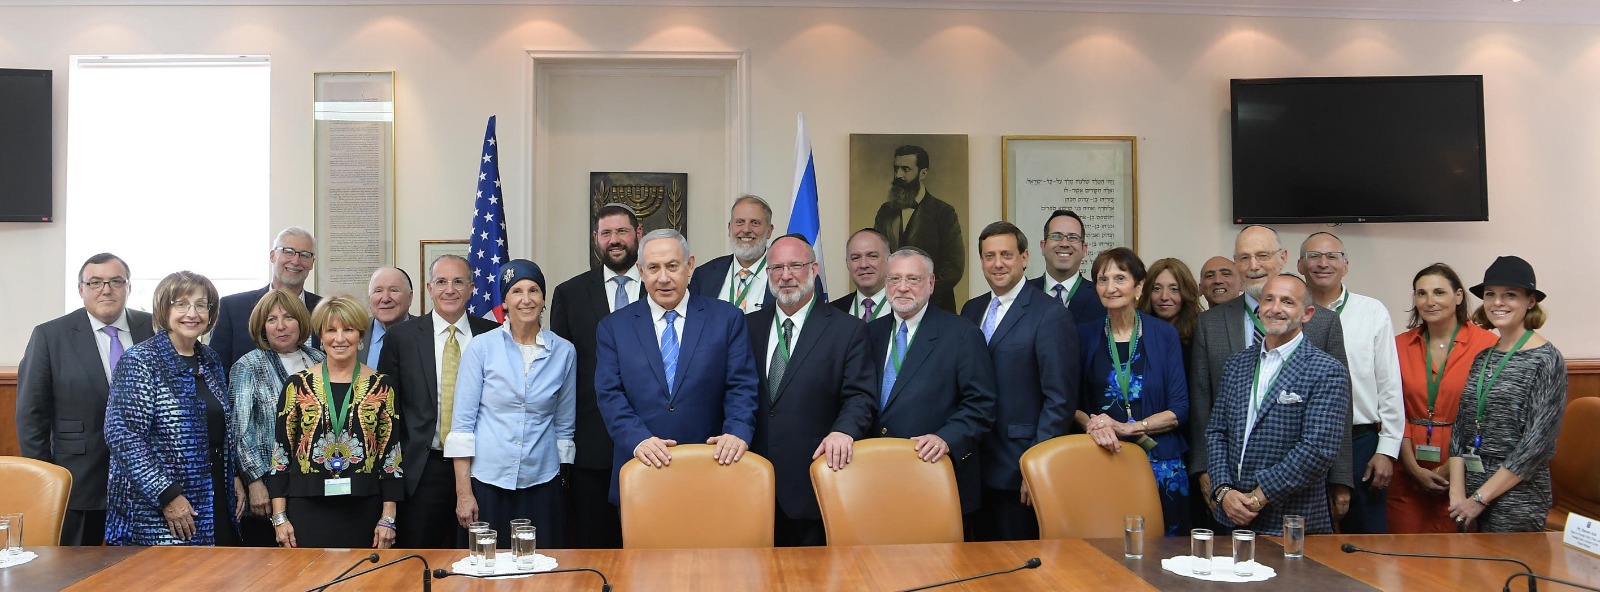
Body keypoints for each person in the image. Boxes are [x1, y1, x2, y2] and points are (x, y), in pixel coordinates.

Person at [1188, 225, 1353, 529]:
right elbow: (1209, 419)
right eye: (1245, 257)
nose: (1253, 266)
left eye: (1262, 255)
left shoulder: (1326, 348)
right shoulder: (1233, 356)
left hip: (1293, 510)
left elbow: (1324, 439)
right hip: (1231, 508)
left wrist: (1340, 479)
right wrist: (1222, 489)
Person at [595, 229, 760, 505]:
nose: (663, 278)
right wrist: (638, 440)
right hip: (642, 467)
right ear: (641, 271)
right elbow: (609, 394)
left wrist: (737, 432)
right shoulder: (614, 327)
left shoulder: (726, 319)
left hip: (713, 467)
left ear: (690, 266)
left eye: (672, 266)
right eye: (653, 268)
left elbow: (741, 386)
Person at [17, 253, 155, 546]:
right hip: (78, 482)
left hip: (147, 483)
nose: (106, 289)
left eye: (116, 281)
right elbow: (32, 415)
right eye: (95, 282)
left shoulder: (154, 329)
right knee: (73, 574)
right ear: (81, 289)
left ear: (128, 287)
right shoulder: (50, 336)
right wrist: (46, 480)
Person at [748, 234, 876, 547]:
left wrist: (844, 431)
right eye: (776, 267)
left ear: (814, 268)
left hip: (815, 480)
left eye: (795, 266)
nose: (786, 275)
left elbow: (860, 397)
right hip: (753, 483)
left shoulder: (847, 330)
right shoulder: (747, 325)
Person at [959, 222, 1078, 541]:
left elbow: (1060, 400)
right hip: (972, 466)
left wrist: (1036, 466)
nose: (997, 263)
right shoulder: (971, 310)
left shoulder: (1049, 314)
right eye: (989, 256)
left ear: (1025, 257)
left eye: (1006, 255)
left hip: (1019, 468)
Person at [104, 271, 240, 546]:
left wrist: (233, 473)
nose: (192, 313)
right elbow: (123, 435)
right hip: (159, 508)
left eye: (201, 305)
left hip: (216, 494)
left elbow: (220, 426)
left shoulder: (210, 359)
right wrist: (166, 494)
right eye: (181, 304)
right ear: (164, 308)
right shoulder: (141, 360)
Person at [447, 260, 574, 548]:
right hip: (488, 482)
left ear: (543, 299)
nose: (526, 299)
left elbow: (565, 426)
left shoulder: (564, 352)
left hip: (543, 482)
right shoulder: (481, 347)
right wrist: (464, 493)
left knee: (540, 569)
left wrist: (563, 486)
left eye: (534, 291)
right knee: (486, 570)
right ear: (505, 300)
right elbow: (463, 426)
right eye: (517, 291)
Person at [378, 255, 501, 548]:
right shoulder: (401, 338)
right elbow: (388, 412)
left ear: (472, 288)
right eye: (442, 282)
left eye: (458, 282)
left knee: (479, 556)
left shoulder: (494, 335)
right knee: (421, 560)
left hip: (481, 466)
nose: (450, 290)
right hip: (423, 469)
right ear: (429, 288)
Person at [870, 247, 997, 519]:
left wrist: (946, 438)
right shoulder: (869, 334)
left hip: (936, 472)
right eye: (894, 279)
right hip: (876, 475)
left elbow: (981, 404)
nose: (902, 287)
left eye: (913, 279)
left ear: (931, 283)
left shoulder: (962, 334)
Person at [268, 296, 403, 549]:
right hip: (306, 508)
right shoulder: (297, 385)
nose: (339, 338)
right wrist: (279, 517)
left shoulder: (383, 386)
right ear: (320, 335)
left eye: (348, 329)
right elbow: (281, 454)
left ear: (360, 335)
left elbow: (391, 456)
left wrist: (388, 518)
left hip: (365, 509)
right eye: (331, 330)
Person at [1447, 256, 1567, 533]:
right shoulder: (1483, 357)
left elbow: (1536, 444)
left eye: (1509, 295)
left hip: (1516, 496)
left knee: (1506, 574)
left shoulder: (1546, 360)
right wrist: (1457, 496)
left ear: (1531, 301)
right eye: (1491, 295)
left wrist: (1480, 499)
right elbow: (1461, 429)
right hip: (1469, 492)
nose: (1497, 303)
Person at [1077, 248, 1191, 536]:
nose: (1111, 287)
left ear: (1139, 286)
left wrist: (1128, 428)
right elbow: (1070, 403)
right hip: (1104, 457)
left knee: (1165, 551)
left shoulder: (1164, 334)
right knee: (1107, 548)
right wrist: (1092, 424)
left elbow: (1180, 410)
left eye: (1120, 278)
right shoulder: (1083, 335)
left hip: (1161, 462)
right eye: (1103, 279)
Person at [1297, 232, 1404, 534]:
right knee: (1304, 536)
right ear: (1299, 265)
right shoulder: (1287, 312)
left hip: (1360, 443)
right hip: (1299, 441)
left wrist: (1387, 449)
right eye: (1313, 256)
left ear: (1346, 265)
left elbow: (1389, 383)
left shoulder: (1372, 312)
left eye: (1332, 256)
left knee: (1366, 541)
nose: (1323, 263)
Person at [550, 203, 642, 549]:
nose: (614, 240)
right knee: (594, 545)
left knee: (650, 545)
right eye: (606, 233)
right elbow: (558, 372)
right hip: (592, 444)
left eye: (622, 231)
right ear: (595, 239)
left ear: (638, 235)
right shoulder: (570, 294)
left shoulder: (663, 288)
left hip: (654, 439)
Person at [1388, 263, 1496, 533]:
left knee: (1456, 559)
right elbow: (1391, 407)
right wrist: (1412, 467)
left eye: (1439, 292)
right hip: (1406, 464)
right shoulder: (1398, 345)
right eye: (1421, 293)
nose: (1430, 301)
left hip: (1466, 467)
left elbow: (1491, 415)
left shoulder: (1487, 345)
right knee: (1404, 555)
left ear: (1458, 296)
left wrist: (1448, 469)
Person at [229, 289, 323, 547]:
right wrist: (255, 481)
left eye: (288, 317)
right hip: (268, 491)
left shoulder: (319, 359)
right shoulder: (248, 366)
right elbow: (239, 431)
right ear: (262, 326)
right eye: (272, 319)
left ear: (301, 321)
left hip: (315, 486)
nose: (280, 326)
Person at [212, 227, 324, 371]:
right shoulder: (232, 308)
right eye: (288, 252)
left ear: (312, 263)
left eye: (304, 255)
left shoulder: (324, 309)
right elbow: (216, 373)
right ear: (272, 256)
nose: (296, 261)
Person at [872, 145, 964, 312]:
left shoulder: (944, 212)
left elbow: (954, 267)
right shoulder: (885, 211)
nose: (898, 175)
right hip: (890, 308)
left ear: (923, 173)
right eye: (896, 168)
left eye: (905, 169)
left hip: (936, 309)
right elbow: (877, 258)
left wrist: (920, 294)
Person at [688, 195, 778, 313]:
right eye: (740, 222)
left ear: (769, 231)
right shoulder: (704, 275)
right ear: (730, 228)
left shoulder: (784, 275)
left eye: (755, 223)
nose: (746, 229)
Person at [1025, 210, 1105, 326]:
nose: (1064, 243)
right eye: (1056, 236)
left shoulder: (1101, 297)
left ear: (1084, 249)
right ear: (1043, 246)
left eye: (1073, 237)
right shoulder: (1023, 294)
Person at [1139, 257, 1205, 361]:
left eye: (1174, 289)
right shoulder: (1136, 331)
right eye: (1157, 289)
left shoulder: (1200, 334)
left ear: (1186, 292)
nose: (1164, 297)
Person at [830, 228, 894, 323]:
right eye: (855, 258)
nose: (863, 265)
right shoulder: (832, 311)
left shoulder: (908, 307)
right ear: (848, 264)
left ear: (889, 260)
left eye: (872, 256)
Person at [361, 266, 413, 368]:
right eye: (378, 291)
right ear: (369, 299)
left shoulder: (428, 333)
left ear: (410, 297)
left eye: (394, 290)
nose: (385, 299)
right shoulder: (355, 332)